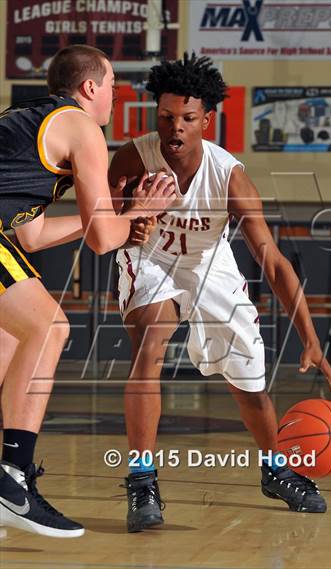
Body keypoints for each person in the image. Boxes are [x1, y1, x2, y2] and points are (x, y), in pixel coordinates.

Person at [109, 53, 331, 533]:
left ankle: (276, 470)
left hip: (208, 263)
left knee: (250, 385)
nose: (175, 128)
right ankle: (141, 478)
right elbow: (109, 228)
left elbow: (274, 263)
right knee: (150, 346)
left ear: (207, 121)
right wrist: (129, 223)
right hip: (151, 260)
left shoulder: (229, 176)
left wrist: (310, 336)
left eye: (188, 119)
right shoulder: (134, 158)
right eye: (167, 117)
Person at [0, 44, 175, 538]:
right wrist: (137, 212)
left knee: (12, 345)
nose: (117, 98)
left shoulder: (31, 121)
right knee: (50, 327)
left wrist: (112, 213)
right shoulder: (82, 127)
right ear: (90, 87)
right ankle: (12, 481)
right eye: (114, 86)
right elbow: (105, 240)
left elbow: (31, 236)